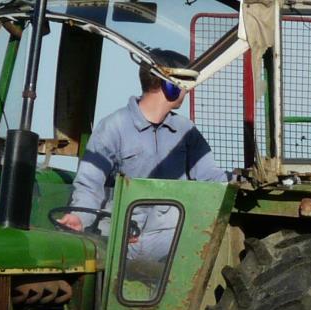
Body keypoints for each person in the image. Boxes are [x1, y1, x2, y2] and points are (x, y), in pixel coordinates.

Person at [63, 48, 226, 276]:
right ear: (170, 85)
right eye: (185, 84)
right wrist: (79, 217)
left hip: (169, 238)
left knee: (220, 242)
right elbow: (90, 183)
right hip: (122, 240)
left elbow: (212, 177)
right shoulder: (114, 127)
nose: (188, 91)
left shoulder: (186, 132)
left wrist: (239, 183)